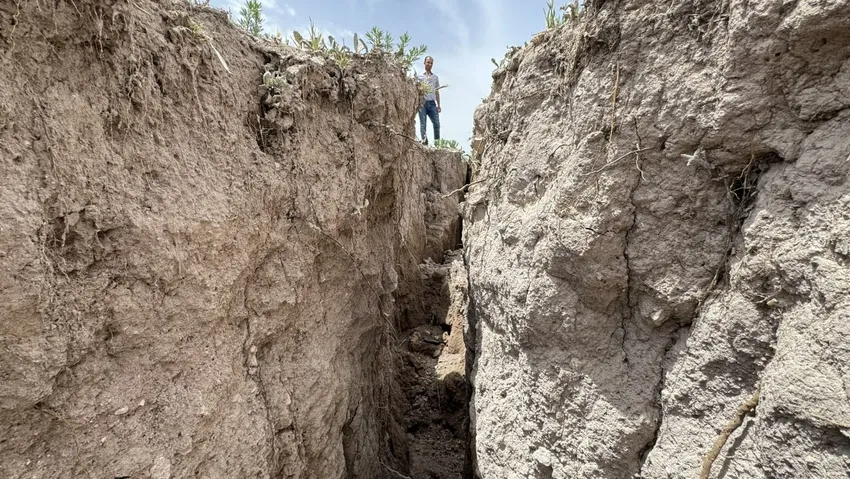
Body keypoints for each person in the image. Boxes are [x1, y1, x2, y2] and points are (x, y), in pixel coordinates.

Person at [417, 56, 441, 145]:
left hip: (432, 103)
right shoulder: (419, 77)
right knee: (423, 124)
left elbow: (437, 91)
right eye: (428, 62)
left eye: (431, 63)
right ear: (424, 63)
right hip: (422, 103)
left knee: (437, 124)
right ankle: (424, 143)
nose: (429, 64)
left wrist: (439, 105)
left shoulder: (435, 77)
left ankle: (437, 143)